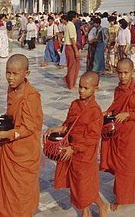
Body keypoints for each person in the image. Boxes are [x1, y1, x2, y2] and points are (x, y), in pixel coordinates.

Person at [48, 72, 109, 216]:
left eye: (86, 88)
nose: (81, 91)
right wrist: (56, 129)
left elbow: (93, 138)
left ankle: (102, 205)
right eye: (80, 87)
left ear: (96, 89)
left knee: (85, 185)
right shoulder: (75, 104)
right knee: (76, 184)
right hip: (72, 151)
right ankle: (85, 211)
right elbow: (69, 125)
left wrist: (74, 148)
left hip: (85, 153)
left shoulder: (95, 111)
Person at [0, 54, 43, 216]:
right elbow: (13, 115)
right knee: (5, 189)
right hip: (11, 146)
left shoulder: (31, 97)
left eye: (15, 74)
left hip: (25, 150)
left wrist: (6, 134)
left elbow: (29, 128)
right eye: (8, 73)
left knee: (21, 192)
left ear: (26, 74)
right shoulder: (12, 89)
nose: (10, 78)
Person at [100, 59, 135, 211]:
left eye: (126, 73)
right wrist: (109, 112)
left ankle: (122, 198)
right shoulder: (118, 89)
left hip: (132, 133)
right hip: (119, 132)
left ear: (133, 72)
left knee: (126, 165)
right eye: (120, 73)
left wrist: (128, 114)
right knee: (124, 163)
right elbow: (116, 105)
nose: (122, 76)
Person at [62, 11, 80, 90]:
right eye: (76, 17)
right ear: (73, 18)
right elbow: (72, 39)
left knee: (72, 65)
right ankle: (70, 83)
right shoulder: (71, 25)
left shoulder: (68, 25)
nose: (77, 19)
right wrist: (76, 50)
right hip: (70, 47)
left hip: (68, 47)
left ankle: (69, 80)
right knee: (73, 66)